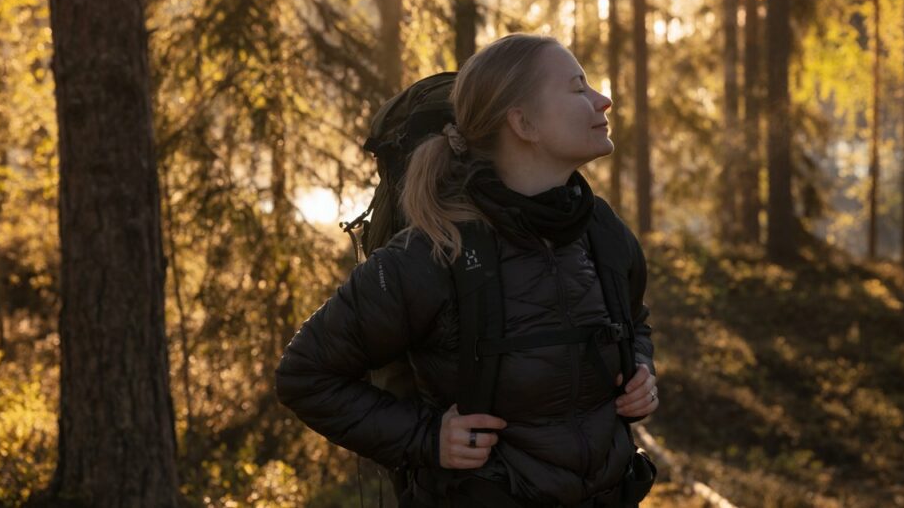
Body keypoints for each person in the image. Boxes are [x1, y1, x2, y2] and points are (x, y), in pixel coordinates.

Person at [275, 33, 658, 507]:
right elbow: (306, 374)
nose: (604, 100)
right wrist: (429, 438)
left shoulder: (600, 229)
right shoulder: (433, 252)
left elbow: (634, 321)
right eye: (579, 88)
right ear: (523, 122)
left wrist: (640, 365)